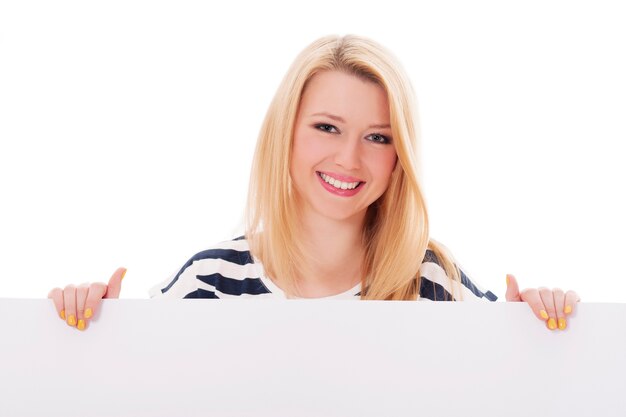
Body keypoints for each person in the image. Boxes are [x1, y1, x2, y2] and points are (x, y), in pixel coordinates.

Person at [47, 34, 579, 331]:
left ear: (400, 159)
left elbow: (513, 392)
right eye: (327, 128)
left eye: (378, 138)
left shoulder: (434, 283)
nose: (349, 159)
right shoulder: (209, 280)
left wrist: (529, 332)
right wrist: (96, 329)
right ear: (286, 134)